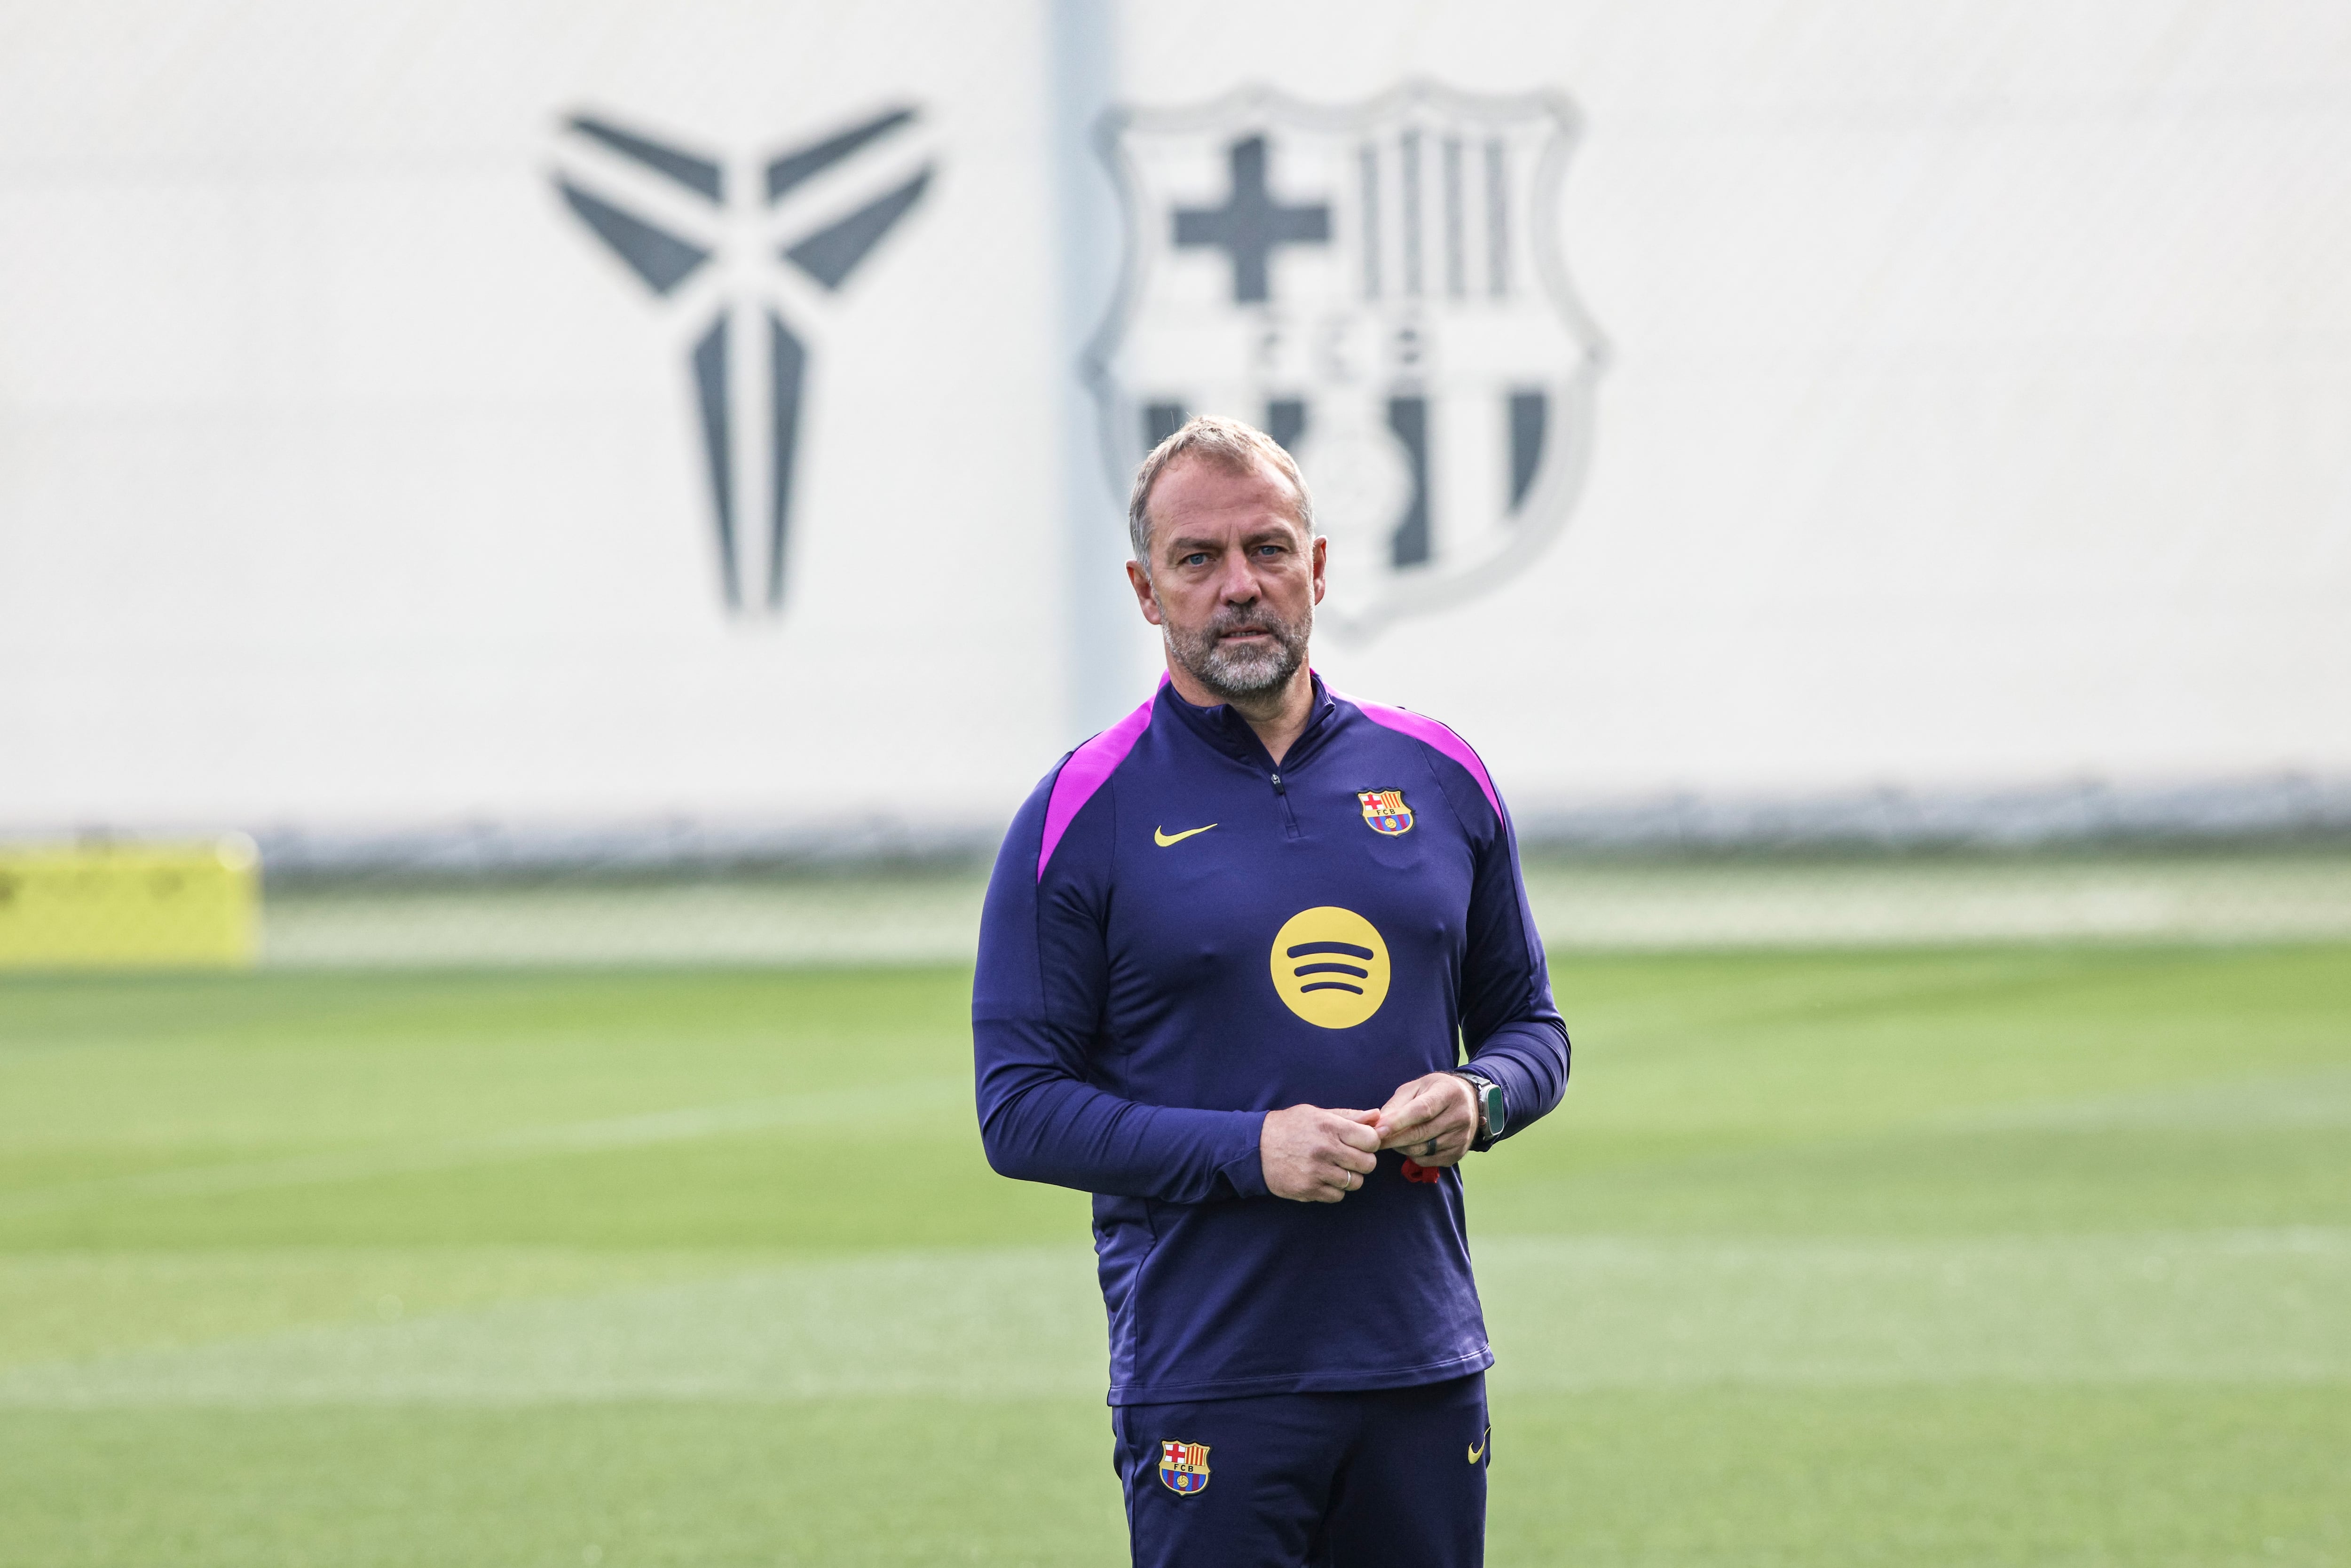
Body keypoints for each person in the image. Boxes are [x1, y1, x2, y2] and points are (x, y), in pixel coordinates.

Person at [972, 415, 1569, 1567]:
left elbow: (1530, 1029)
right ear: (1148, 593)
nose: (1239, 586)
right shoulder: (1078, 814)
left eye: (1268, 549)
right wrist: (1253, 1152)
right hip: (1212, 1372)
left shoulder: (1437, 775)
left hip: (1420, 1361)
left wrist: (1478, 1098)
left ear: (1321, 566)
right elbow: (1019, 1108)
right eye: (1199, 561)